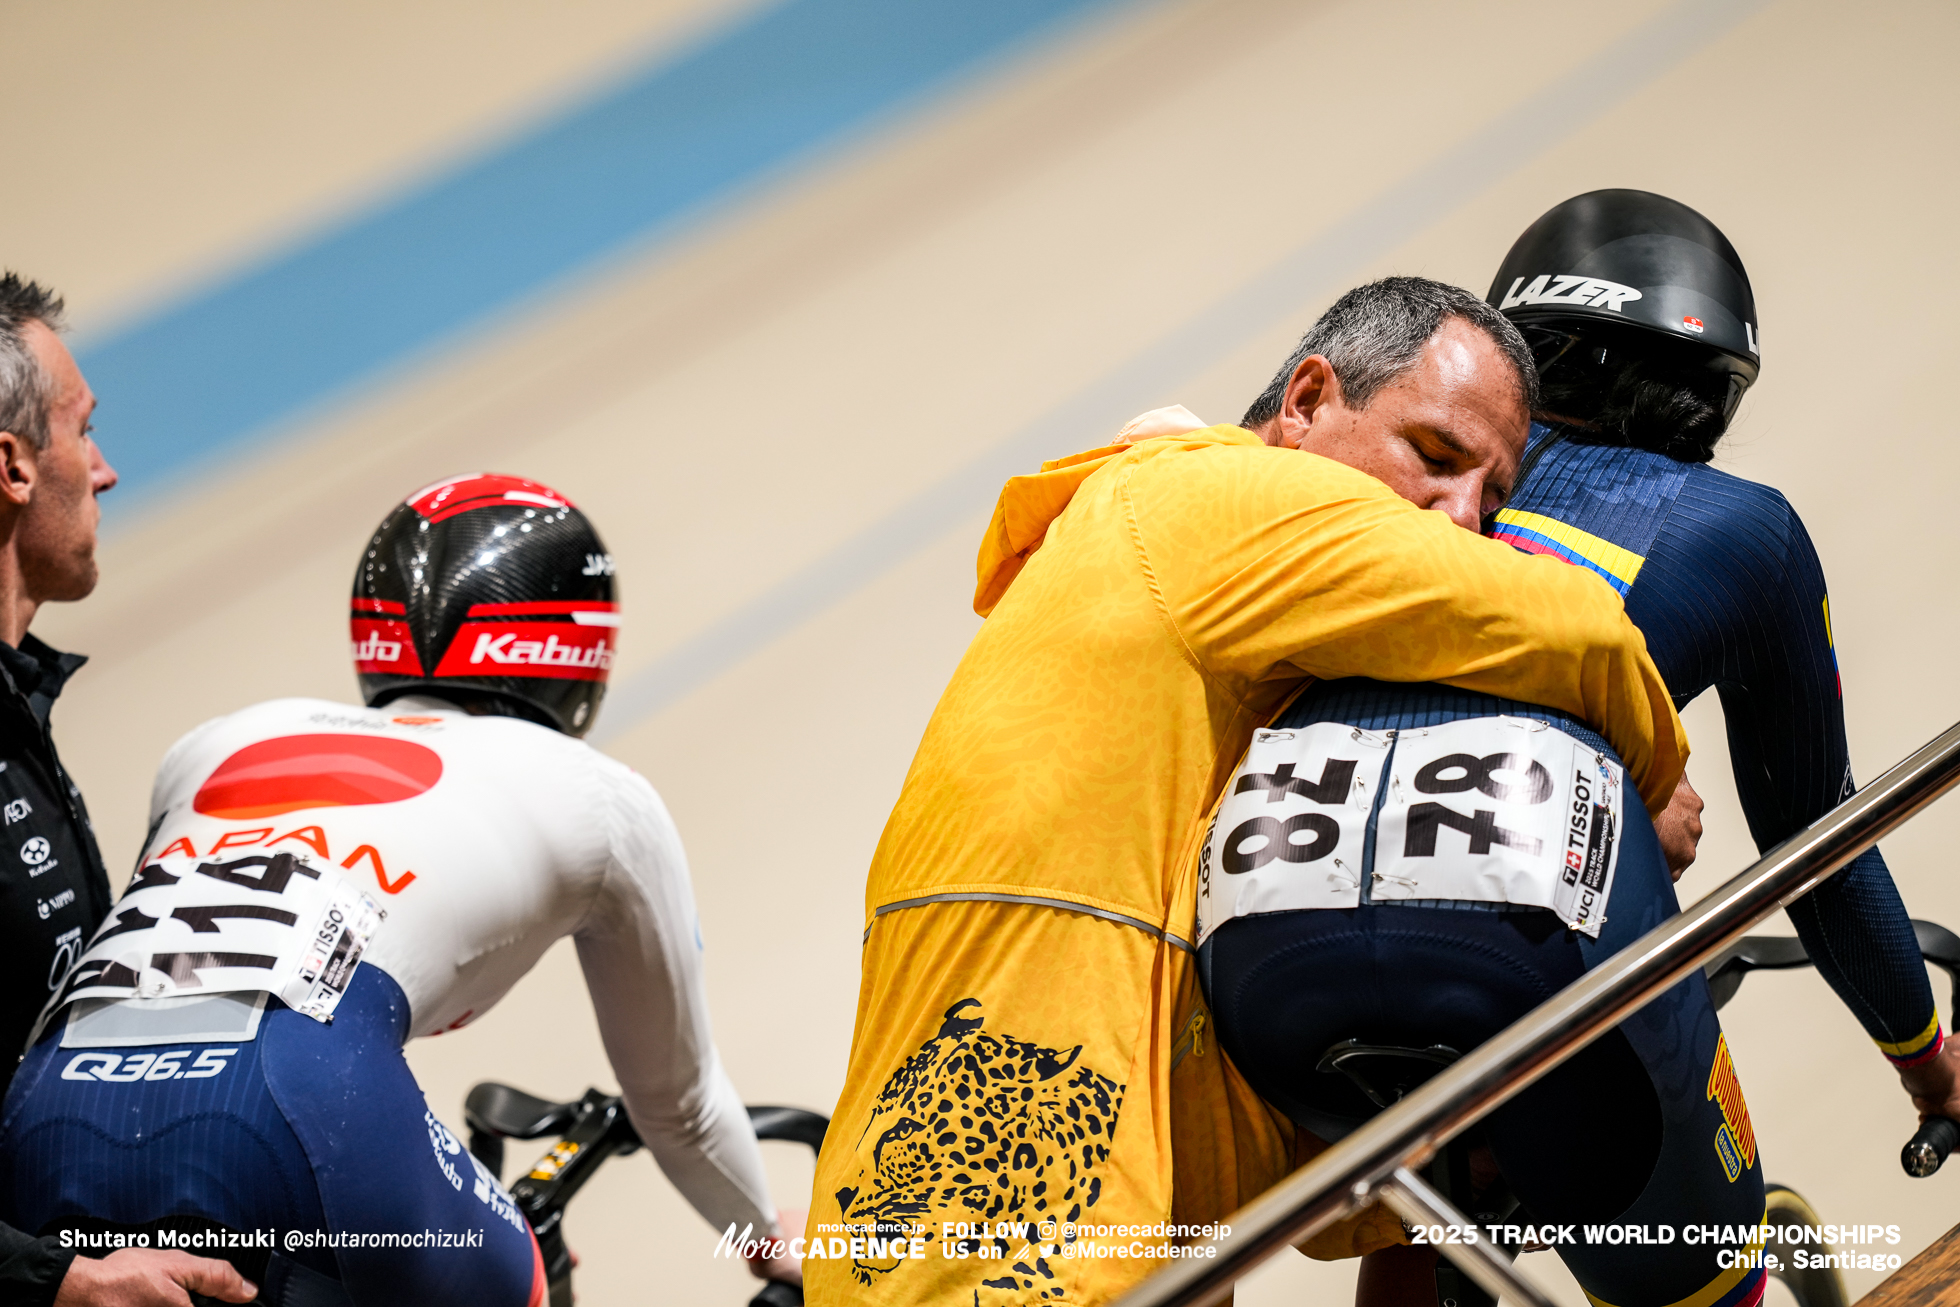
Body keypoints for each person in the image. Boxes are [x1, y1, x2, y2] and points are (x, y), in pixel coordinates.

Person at [805, 277, 1690, 1306]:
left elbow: (1168, 1042)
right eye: (1436, 457)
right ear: (1306, 401)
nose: (1459, 518)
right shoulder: (1216, 501)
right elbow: (1568, 626)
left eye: (1490, 502)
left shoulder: (1147, 558)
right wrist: (1652, 780)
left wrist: (1411, 1163)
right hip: (1021, 1253)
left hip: (954, 1225)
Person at [1189, 191, 1956, 1307]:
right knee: (1685, 1278)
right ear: (1714, 398)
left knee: (1414, 1187)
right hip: (1531, 940)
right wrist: (1926, 1061)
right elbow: (1819, 846)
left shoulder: (1402, 478)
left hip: (1264, 942)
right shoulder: (1745, 531)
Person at [0, 474, 799, 1305]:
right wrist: (766, 1234)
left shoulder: (215, 741)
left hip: (42, 1116)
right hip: (300, 1101)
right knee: (518, 1273)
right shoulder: (599, 795)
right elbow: (679, 1106)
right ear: (576, 652)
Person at [0, 274, 255, 1307]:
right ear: (12, 465)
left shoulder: (17, 708)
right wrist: (59, 1281)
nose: (104, 471)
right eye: (82, 431)